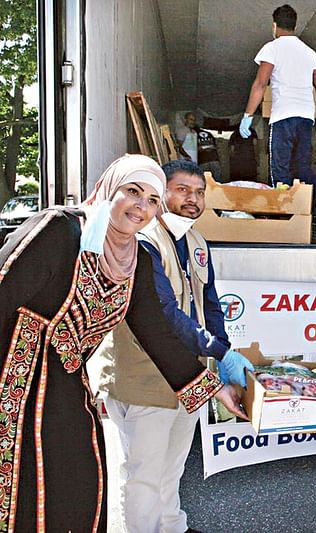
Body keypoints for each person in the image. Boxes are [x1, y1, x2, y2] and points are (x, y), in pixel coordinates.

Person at [0, 154, 245, 531]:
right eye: (133, 192)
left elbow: (156, 334)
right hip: (11, 380)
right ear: (110, 188)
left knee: (80, 480)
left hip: (65, 384)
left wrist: (216, 390)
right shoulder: (59, 230)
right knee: (18, 481)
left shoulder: (135, 260)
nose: (141, 207)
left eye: (151, 200)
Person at [92, 160, 254, 533]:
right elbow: (163, 314)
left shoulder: (196, 241)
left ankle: (172, 526)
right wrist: (220, 351)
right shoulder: (143, 241)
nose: (192, 199)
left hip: (190, 373)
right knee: (143, 475)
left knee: (173, 464)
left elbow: (210, 303)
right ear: (160, 193)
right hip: (144, 375)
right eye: (181, 189)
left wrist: (221, 351)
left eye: (199, 192)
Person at [238, 3, 316, 197]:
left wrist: (248, 115)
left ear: (274, 25)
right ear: (294, 26)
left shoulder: (272, 48)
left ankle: (286, 215)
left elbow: (260, 84)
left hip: (283, 117)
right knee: (302, 168)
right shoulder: (310, 52)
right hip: (306, 118)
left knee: (280, 170)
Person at [177, 112, 223, 183]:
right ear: (185, 119)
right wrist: (187, 156)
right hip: (186, 160)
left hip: (194, 162)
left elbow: (194, 147)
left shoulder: (194, 132)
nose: (192, 122)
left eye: (194, 120)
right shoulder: (181, 130)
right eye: (191, 119)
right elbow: (180, 146)